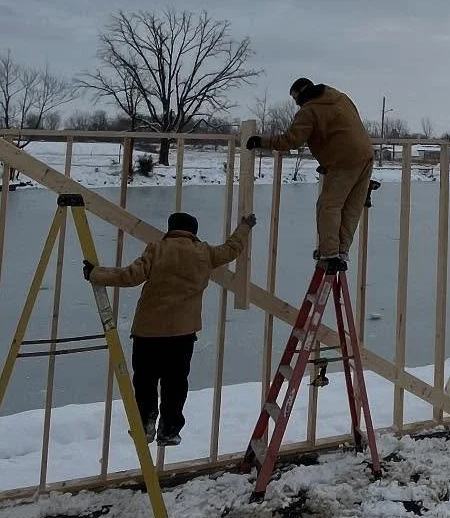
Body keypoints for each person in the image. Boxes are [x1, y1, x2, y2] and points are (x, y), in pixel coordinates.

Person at [84, 210, 255, 445]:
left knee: (145, 380)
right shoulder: (204, 252)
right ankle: (169, 430)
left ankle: (146, 423)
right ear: (193, 232)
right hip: (182, 333)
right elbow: (231, 249)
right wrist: (245, 227)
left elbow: (129, 276)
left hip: (149, 331)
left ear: (171, 228)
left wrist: (95, 273)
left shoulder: (157, 249)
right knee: (176, 382)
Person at [247, 78, 374, 273]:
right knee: (351, 207)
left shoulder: (309, 111)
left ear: (300, 95)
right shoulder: (340, 98)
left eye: (295, 99)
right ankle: (341, 251)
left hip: (344, 161)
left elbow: (291, 141)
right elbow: (341, 131)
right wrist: (328, 162)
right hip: (365, 156)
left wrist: (261, 141)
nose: (296, 104)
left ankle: (329, 254)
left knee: (328, 206)